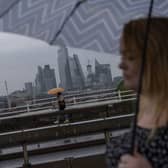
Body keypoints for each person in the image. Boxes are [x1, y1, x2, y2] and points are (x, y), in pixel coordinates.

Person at [106, 17, 168, 168]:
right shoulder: (141, 112)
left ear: (156, 60)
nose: (121, 64)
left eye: (131, 57)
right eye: (122, 55)